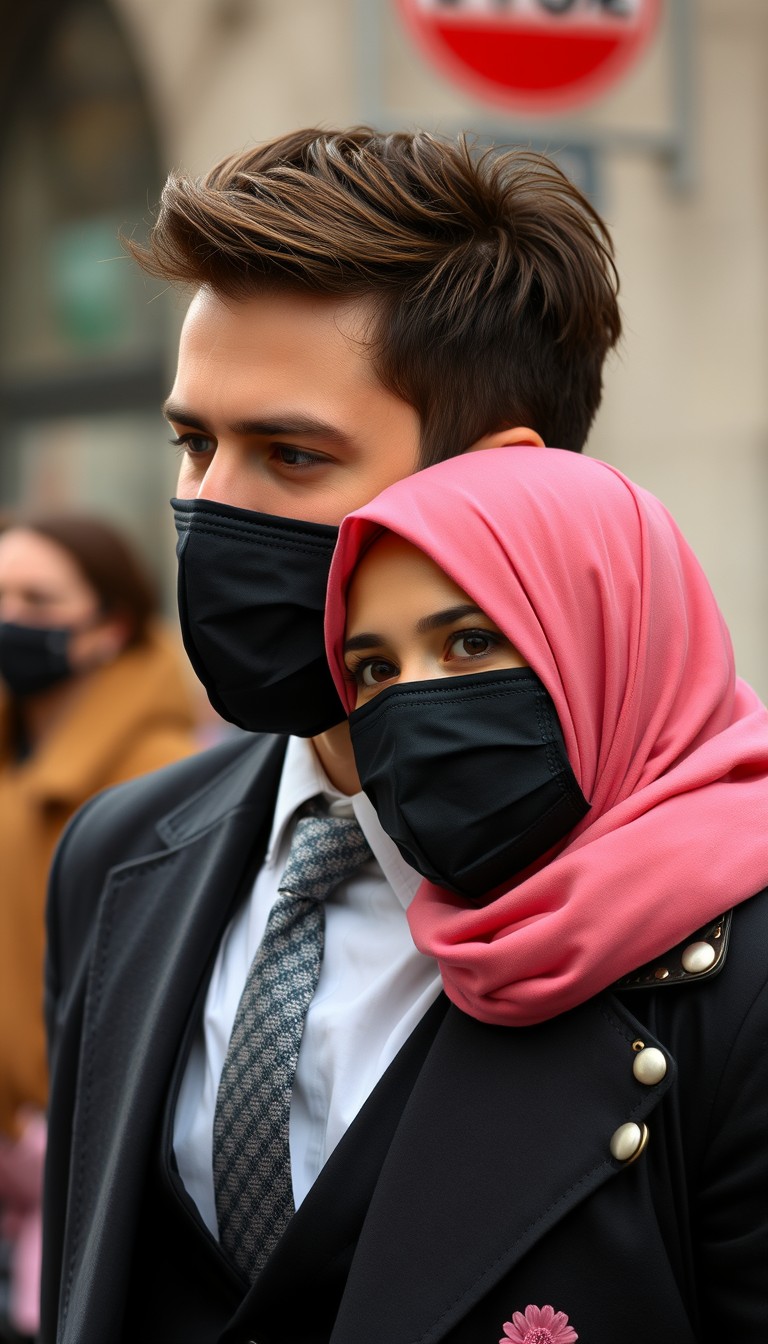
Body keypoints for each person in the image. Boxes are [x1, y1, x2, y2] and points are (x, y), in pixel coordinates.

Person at [40, 127, 623, 1344]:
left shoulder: (708, 921)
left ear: (499, 481)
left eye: (291, 455)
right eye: (192, 444)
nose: (206, 511)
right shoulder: (119, 855)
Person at [324, 444, 768, 1340]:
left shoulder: (748, 972)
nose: (413, 707)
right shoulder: (459, 944)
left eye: (471, 642)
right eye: (375, 669)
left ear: (613, 638)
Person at [0, 511, 199, 1342]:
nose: (11, 617)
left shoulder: (160, 779)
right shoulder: (17, 751)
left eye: (38, 600)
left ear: (109, 627)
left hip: (79, 1157)